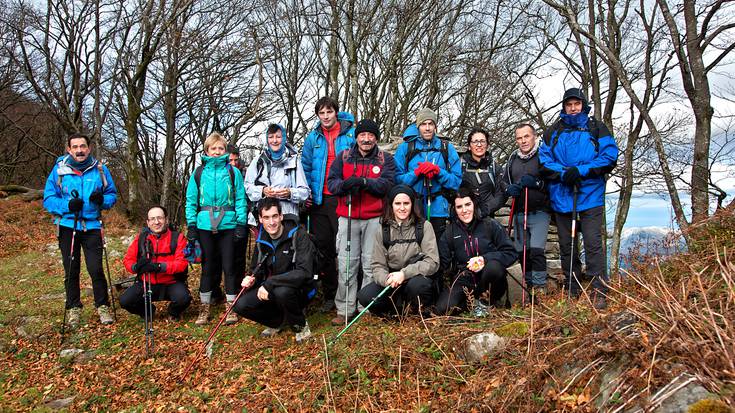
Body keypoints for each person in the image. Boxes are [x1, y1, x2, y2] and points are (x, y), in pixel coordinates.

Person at [539, 88, 618, 310]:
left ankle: (599, 290)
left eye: (577, 104)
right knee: (567, 245)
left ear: (583, 105)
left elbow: (609, 156)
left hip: (590, 196)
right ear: (564, 107)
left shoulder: (596, 128)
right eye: (569, 105)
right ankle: (572, 288)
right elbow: (544, 161)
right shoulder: (553, 131)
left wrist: (581, 171)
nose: (573, 108)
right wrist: (564, 172)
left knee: (593, 244)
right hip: (563, 197)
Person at [43, 132, 118, 327]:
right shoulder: (59, 170)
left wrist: (103, 201)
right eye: (75, 147)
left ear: (89, 148)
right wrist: (67, 206)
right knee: (71, 269)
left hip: (92, 225)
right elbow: (49, 199)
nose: (79, 150)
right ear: (69, 149)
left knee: (96, 268)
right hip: (68, 225)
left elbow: (111, 194)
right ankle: (73, 308)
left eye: (82, 146)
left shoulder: (99, 169)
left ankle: (102, 306)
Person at [327, 118, 395, 325]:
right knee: (347, 263)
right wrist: (345, 185)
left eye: (370, 135)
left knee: (369, 263)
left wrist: (365, 183)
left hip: (373, 217)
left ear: (376, 138)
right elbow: (332, 183)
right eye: (362, 135)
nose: (366, 139)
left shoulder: (385, 159)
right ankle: (344, 309)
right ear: (356, 137)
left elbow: (387, 184)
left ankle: (365, 307)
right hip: (347, 217)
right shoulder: (344, 156)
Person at [185, 132, 247, 326]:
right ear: (207, 150)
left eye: (221, 148)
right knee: (208, 267)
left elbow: (240, 199)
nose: (217, 152)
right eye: (213, 148)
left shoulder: (233, 172)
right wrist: (192, 226)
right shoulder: (198, 173)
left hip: (228, 224)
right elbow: (191, 201)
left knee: (229, 266)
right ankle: (205, 308)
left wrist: (241, 224)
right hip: (204, 225)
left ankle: (231, 307)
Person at [233, 198, 316, 343]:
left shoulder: (298, 234)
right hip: (273, 287)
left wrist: (270, 283)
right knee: (240, 305)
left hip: (301, 289)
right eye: (266, 217)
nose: (271, 222)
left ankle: (300, 327)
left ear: (281, 216)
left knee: (282, 291)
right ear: (260, 219)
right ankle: (276, 322)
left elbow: (304, 272)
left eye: (274, 216)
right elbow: (256, 269)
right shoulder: (261, 239)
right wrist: (251, 280)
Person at [301, 97, 355, 312]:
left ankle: (348, 294)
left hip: (343, 197)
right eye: (321, 113)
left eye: (329, 112)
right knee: (323, 249)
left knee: (345, 247)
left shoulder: (350, 134)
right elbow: (305, 166)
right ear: (318, 115)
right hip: (319, 200)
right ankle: (330, 295)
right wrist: (306, 193)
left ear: (336, 113)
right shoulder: (313, 137)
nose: (326, 116)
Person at [357, 185, 439, 318]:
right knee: (365, 296)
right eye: (398, 203)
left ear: (412, 204)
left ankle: (416, 312)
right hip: (393, 280)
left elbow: (432, 262)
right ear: (391, 205)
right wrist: (386, 280)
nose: (402, 208)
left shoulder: (424, 226)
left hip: (415, 278)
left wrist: (404, 274)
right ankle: (394, 313)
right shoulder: (382, 230)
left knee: (418, 286)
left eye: (406, 203)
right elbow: (377, 265)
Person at [435, 188, 517, 316]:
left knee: (494, 268)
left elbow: (511, 253)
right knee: (443, 309)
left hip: (490, 277)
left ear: (474, 204)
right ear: (455, 210)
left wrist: (485, 259)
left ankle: (486, 302)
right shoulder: (449, 232)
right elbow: (443, 264)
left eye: (468, 204)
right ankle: (470, 305)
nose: (464, 210)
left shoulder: (490, 225)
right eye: (459, 207)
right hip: (465, 279)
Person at [500, 124, 552, 300]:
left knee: (537, 250)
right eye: (519, 138)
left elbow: (552, 181)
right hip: (519, 212)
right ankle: (528, 286)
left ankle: (539, 288)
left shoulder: (543, 156)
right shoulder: (513, 159)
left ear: (534, 136)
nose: (523, 141)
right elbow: (504, 182)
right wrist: (510, 189)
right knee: (523, 251)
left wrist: (537, 184)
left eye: (526, 136)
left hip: (539, 211)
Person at [393, 108, 462, 240]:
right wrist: (416, 173)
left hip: (438, 209)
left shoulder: (446, 148)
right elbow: (397, 180)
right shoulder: (406, 147)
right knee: (414, 248)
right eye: (424, 124)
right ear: (418, 126)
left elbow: (456, 181)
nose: (427, 128)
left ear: (435, 126)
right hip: (412, 208)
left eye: (431, 124)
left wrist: (438, 172)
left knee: (438, 247)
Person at [120, 206, 192, 320]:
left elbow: (182, 264)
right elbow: (128, 260)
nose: (156, 222)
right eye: (152, 219)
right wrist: (136, 267)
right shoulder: (141, 239)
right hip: (146, 282)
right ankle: (147, 311)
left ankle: (173, 312)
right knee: (125, 301)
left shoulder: (178, 238)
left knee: (183, 298)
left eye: (160, 218)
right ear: (148, 223)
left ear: (166, 220)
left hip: (171, 282)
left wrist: (159, 267)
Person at [244, 123, 310, 225]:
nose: (274, 141)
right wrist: (262, 191)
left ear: (283, 138)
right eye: (271, 137)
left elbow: (305, 192)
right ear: (267, 139)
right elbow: (247, 188)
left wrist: (290, 193)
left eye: (278, 137)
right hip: (264, 217)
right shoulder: (258, 161)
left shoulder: (295, 160)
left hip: (288, 217)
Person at [460, 127, 505, 219]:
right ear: (469, 146)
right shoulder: (460, 166)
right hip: (463, 217)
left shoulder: (495, 168)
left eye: (482, 141)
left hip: (487, 217)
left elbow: (501, 194)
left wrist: (485, 210)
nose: (479, 145)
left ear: (487, 145)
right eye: (475, 142)